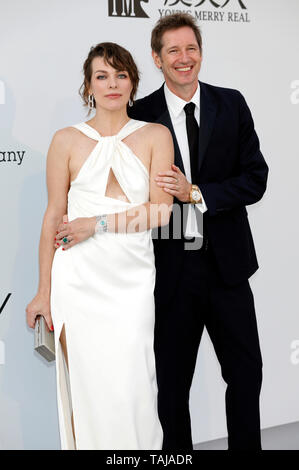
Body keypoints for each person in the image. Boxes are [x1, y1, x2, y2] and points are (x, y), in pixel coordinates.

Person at [56, 14, 269, 450]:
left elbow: (256, 178)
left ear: (201, 53)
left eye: (190, 48)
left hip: (228, 264)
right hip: (166, 269)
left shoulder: (232, 104)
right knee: (171, 390)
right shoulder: (140, 115)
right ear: (156, 58)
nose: (183, 58)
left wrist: (196, 192)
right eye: (172, 50)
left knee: (246, 376)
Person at [26, 42, 174, 450]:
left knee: (134, 390)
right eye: (102, 76)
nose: (112, 84)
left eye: (121, 75)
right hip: (77, 279)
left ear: (134, 82)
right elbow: (54, 215)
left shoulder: (155, 135)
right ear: (88, 86)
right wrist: (43, 291)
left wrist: (98, 223)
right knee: (88, 392)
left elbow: (161, 214)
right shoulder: (66, 140)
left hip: (131, 280)